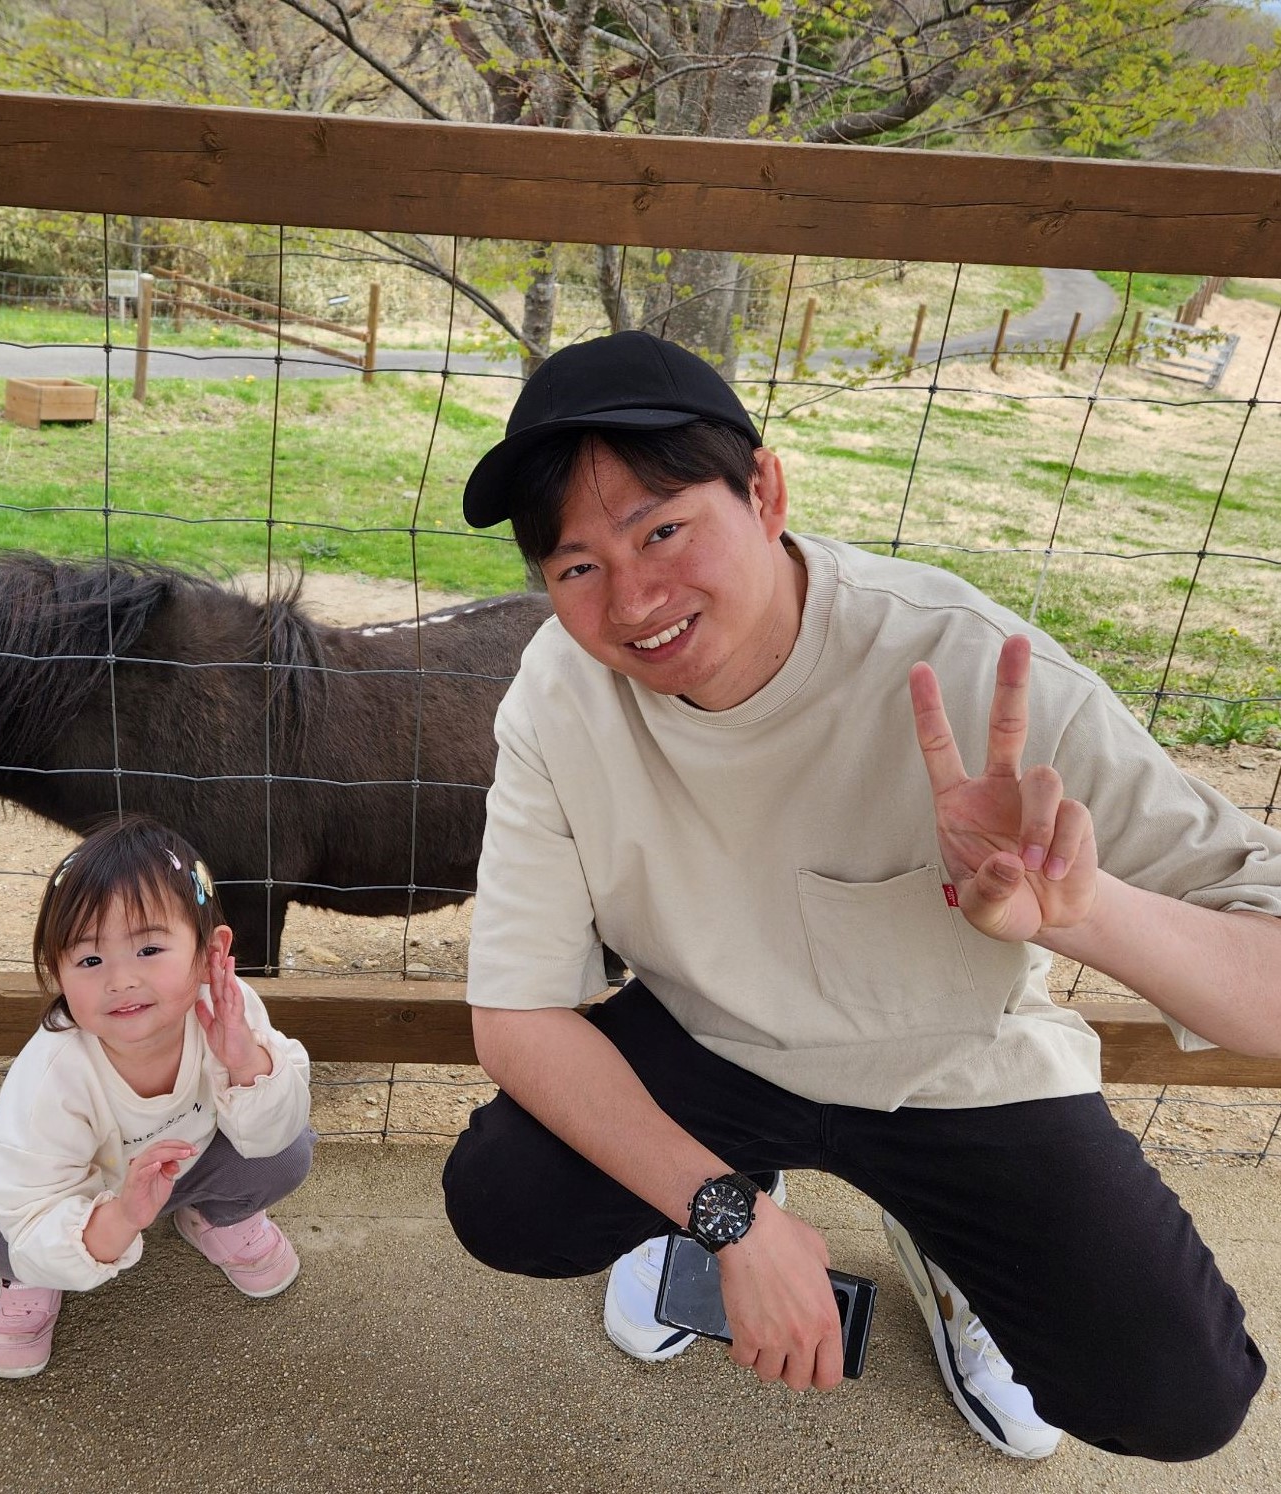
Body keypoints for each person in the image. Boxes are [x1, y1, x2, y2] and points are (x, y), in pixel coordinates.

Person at [440, 330, 1281, 1461]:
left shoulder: (969, 666)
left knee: (1177, 1398)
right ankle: (728, 1187)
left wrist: (1084, 912)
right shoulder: (559, 692)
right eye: (577, 566)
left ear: (767, 489)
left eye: (664, 528)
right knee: (507, 1202)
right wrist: (722, 1215)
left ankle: (943, 1246)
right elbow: (517, 1015)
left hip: (952, 1067)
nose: (634, 598)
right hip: (712, 1041)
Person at [0, 814, 314, 1378]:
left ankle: (212, 1216)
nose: (120, 980)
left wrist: (245, 1058)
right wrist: (122, 1217)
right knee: (11, 1237)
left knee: (286, 1151)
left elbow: (275, 1128)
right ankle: (17, 1281)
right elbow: (29, 1210)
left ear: (209, 952)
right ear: (57, 973)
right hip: (71, 1197)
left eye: (149, 949)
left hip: (179, 1169)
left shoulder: (226, 1008)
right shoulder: (53, 1076)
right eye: (90, 960)